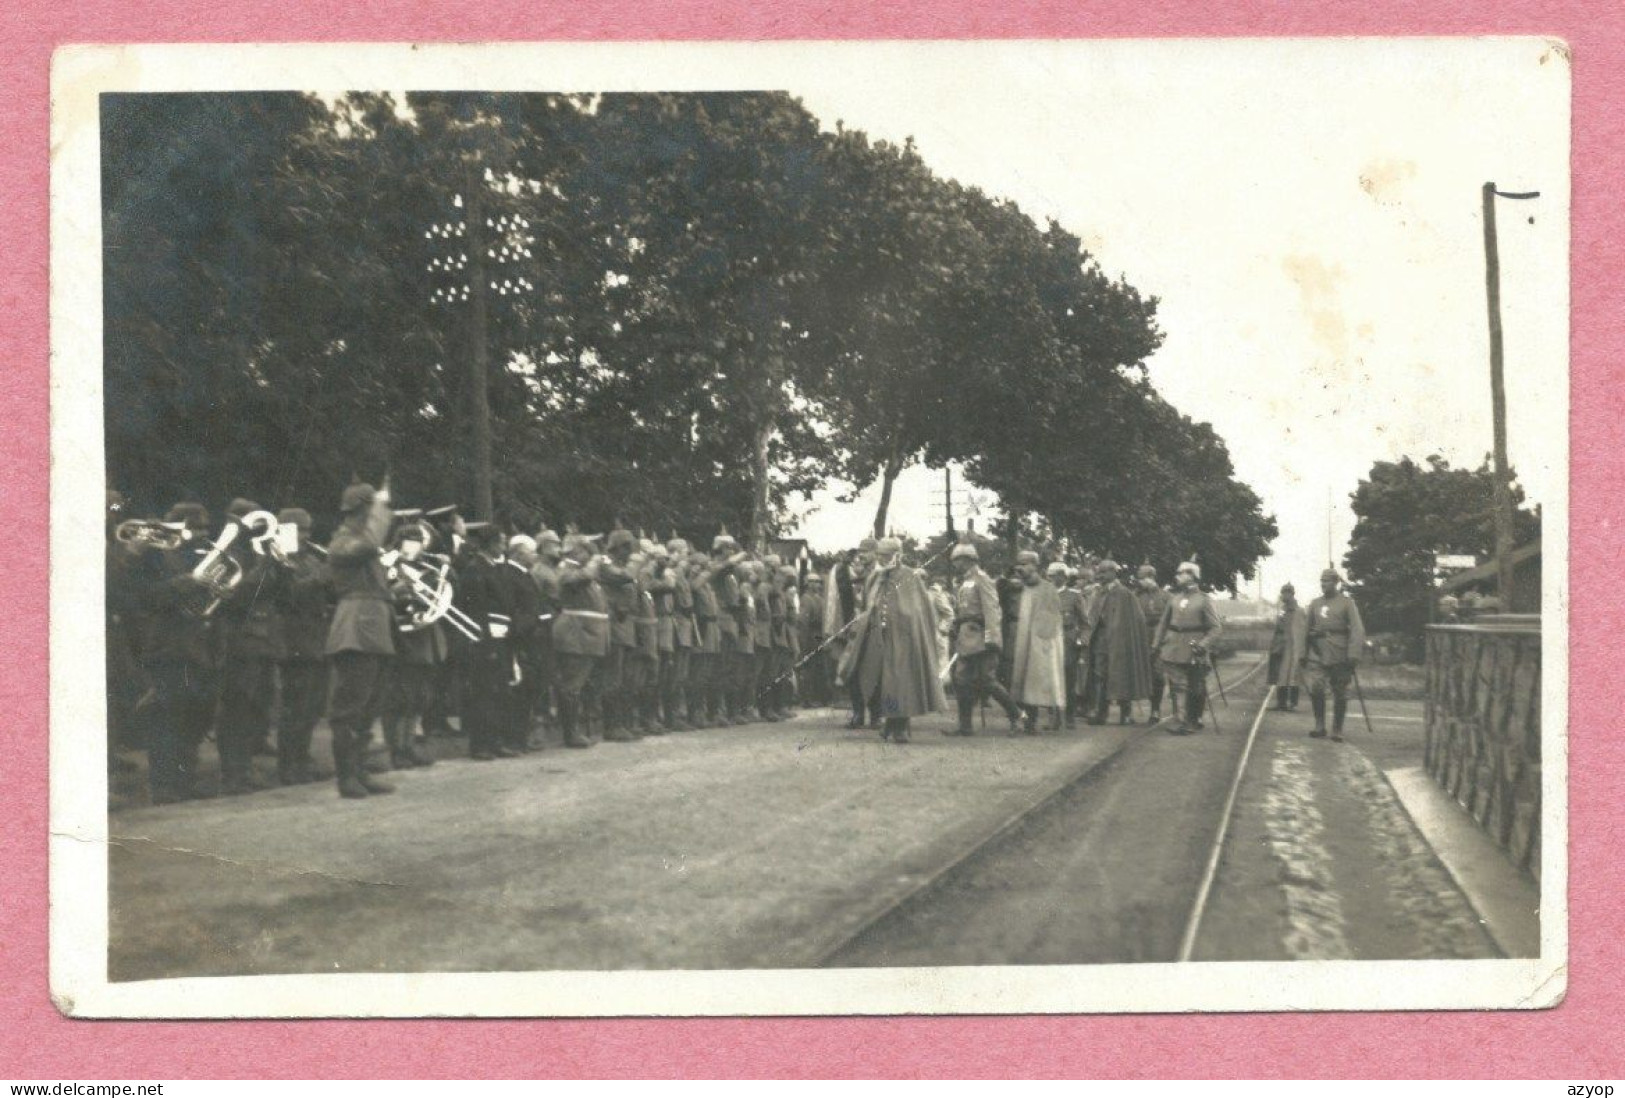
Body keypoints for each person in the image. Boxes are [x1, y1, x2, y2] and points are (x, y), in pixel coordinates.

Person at [124, 502, 221, 804]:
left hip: (195, 647)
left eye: (206, 528)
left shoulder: (198, 556)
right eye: (197, 527)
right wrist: (189, 582)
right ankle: (164, 786)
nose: (203, 534)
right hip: (167, 647)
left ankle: (185, 780)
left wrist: (216, 589)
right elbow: (146, 596)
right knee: (167, 719)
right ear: (178, 526)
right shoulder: (154, 555)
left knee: (193, 716)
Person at [324, 482, 397, 798]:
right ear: (362, 510)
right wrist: (382, 510)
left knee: (369, 706)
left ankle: (361, 771)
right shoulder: (343, 541)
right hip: (356, 628)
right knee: (350, 708)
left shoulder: (358, 540)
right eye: (372, 510)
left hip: (373, 626)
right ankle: (346, 777)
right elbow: (368, 545)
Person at [839, 536, 945, 743]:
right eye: (880, 555)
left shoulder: (911, 577)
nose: (883, 559)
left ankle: (900, 726)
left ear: (898, 555)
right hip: (877, 640)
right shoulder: (874, 578)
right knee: (880, 682)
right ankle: (889, 721)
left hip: (904, 640)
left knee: (900, 683)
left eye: (887, 556)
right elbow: (866, 607)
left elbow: (920, 611)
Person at [213, 498, 286, 793]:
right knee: (236, 710)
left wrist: (280, 564)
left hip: (260, 641)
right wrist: (266, 562)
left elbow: (279, 595)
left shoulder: (254, 552)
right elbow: (241, 595)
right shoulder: (227, 553)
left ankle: (243, 769)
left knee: (254, 707)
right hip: (237, 641)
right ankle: (234, 774)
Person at [275, 506, 331, 785]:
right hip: (294, 640)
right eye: (300, 530)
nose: (306, 536)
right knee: (295, 707)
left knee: (311, 707)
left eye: (308, 530)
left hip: (316, 640)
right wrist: (319, 578)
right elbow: (288, 594)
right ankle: (288, 764)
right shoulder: (279, 557)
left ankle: (302, 758)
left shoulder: (311, 557)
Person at [380, 522, 443, 770]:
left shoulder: (423, 567)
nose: (417, 547)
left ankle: (407, 746)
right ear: (400, 542)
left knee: (418, 696)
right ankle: (395, 749)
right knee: (399, 696)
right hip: (398, 636)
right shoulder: (388, 565)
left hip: (420, 635)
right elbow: (381, 594)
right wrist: (396, 592)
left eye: (419, 541)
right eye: (411, 541)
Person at [947, 538, 1022, 736]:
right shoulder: (964, 582)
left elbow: (992, 610)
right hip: (966, 637)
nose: (955, 564)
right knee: (961, 679)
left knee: (987, 681)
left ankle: (1017, 717)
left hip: (981, 637)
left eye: (958, 560)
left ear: (968, 559)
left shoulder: (982, 579)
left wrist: (992, 638)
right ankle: (965, 725)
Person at [455, 522, 517, 760]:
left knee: (498, 691)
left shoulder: (492, 568)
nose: (503, 546)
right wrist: (486, 643)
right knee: (483, 694)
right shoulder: (476, 570)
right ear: (490, 544)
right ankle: (480, 744)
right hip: (484, 641)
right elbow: (476, 611)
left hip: (499, 638)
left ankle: (494, 741)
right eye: (501, 542)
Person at [1152, 561, 1223, 736]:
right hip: (1173, 647)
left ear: (1192, 575)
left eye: (1181, 573)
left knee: (1195, 687)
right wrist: (1155, 644)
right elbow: (1163, 624)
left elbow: (1216, 628)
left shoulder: (1204, 600)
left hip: (1194, 650)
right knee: (1177, 686)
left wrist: (1203, 645)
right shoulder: (1174, 599)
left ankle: (1192, 719)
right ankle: (1181, 720)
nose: (1177, 576)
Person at [552, 533, 608, 748]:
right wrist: (594, 561)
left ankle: (577, 730)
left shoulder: (582, 571)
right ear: (577, 551)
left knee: (578, 684)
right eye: (588, 550)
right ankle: (571, 733)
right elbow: (580, 578)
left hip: (586, 635)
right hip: (575, 634)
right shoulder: (566, 568)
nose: (592, 554)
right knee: (571, 685)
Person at [1298, 568, 1367, 741]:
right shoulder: (1315, 604)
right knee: (1317, 688)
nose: (1323, 584)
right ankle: (1319, 725)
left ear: (1335, 582)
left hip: (1340, 652)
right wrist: (1302, 653)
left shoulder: (1346, 603)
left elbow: (1357, 629)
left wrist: (1354, 654)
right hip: (1318, 652)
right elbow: (1306, 630)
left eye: (1327, 581)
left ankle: (1337, 729)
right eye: (1322, 581)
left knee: (1340, 690)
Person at [1085, 560, 1154, 725]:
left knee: (1123, 673)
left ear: (1112, 573)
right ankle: (1101, 713)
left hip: (1121, 641)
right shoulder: (1098, 593)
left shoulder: (1125, 594)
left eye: (1103, 572)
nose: (1099, 576)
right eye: (1098, 572)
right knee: (1099, 675)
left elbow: (1137, 620)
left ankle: (1126, 713)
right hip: (1101, 639)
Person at [1009, 555, 1067, 733]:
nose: (1021, 568)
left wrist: (1042, 637)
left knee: (1038, 678)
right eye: (1019, 564)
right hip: (1019, 639)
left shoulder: (1048, 588)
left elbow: (1053, 616)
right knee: (1021, 678)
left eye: (1025, 564)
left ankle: (1049, 718)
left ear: (1035, 566)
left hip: (1040, 641)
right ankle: (1024, 719)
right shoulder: (1017, 588)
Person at [1134, 565, 1171, 723]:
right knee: (1141, 676)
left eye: (1143, 578)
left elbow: (1171, 620)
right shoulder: (1136, 596)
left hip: (1160, 640)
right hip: (1140, 639)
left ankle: (1155, 710)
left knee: (1157, 675)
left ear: (1151, 577)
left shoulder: (1166, 597)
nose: (1140, 582)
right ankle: (1130, 712)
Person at [1268, 582, 1308, 712]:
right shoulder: (1282, 611)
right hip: (1282, 646)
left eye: (1286, 593)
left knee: (1293, 675)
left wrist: (1301, 649)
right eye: (1282, 592)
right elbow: (1278, 628)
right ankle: (1281, 702)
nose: (1283, 595)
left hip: (1294, 647)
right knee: (1281, 674)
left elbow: (1301, 631)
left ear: (1292, 594)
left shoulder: (1299, 611)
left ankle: (1293, 703)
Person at [1057, 566, 1089, 730]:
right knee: (1052, 679)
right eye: (1049, 575)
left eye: (1055, 575)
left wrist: (1081, 641)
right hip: (1050, 641)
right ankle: (1054, 717)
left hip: (1068, 640)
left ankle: (1069, 716)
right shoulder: (1047, 594)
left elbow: (1085, 622)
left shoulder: (1074, 596)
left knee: (1069, 680)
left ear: (1063, 577)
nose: (1052, 578)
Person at [798, 573, 830, 707]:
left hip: (819, 636)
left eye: (818, 582)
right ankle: (807, 699)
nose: (817, 584)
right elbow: (804, 621)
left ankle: (819, 697)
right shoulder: (806, 599)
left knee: (819, 668)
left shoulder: (820, 599)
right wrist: (803, 641)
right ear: (807, 583)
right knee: (808, 668)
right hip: (810, 635)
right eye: (813, 582)